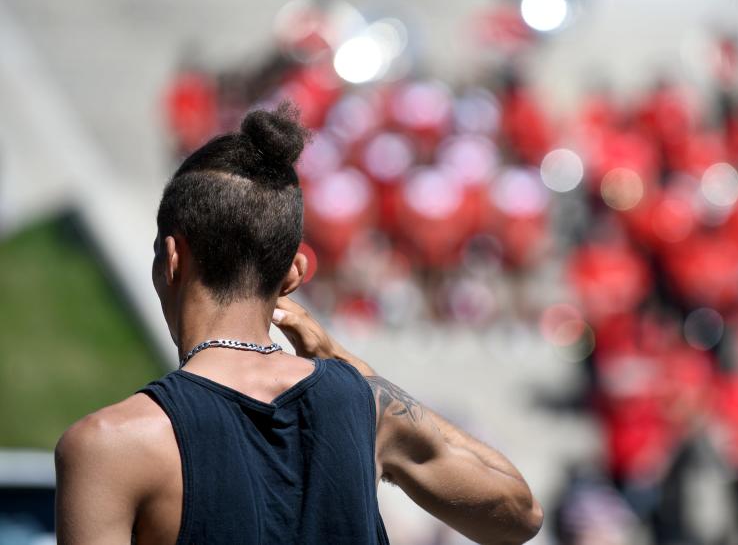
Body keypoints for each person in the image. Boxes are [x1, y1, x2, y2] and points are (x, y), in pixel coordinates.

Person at [53, 105, 544, 544]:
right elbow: (518, 513)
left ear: (170, 258)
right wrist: (347, 364)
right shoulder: (364, 405)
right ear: (294, 274)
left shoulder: (110, 444)